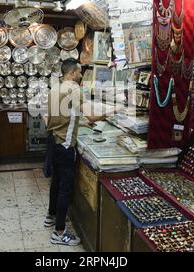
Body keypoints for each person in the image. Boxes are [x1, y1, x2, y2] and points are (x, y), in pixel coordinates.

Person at [43, 59, 111, 246]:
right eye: (79, 72)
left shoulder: (55, 89)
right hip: (64, 146)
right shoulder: (74, 89)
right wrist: (113, 111)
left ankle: (51, 216)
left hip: (53, 141)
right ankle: (59, 233)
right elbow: (92, 115)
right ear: (72, 73)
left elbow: (56, 118)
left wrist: (80, 122)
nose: (81, 75)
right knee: (66, 188)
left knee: (56, 181)